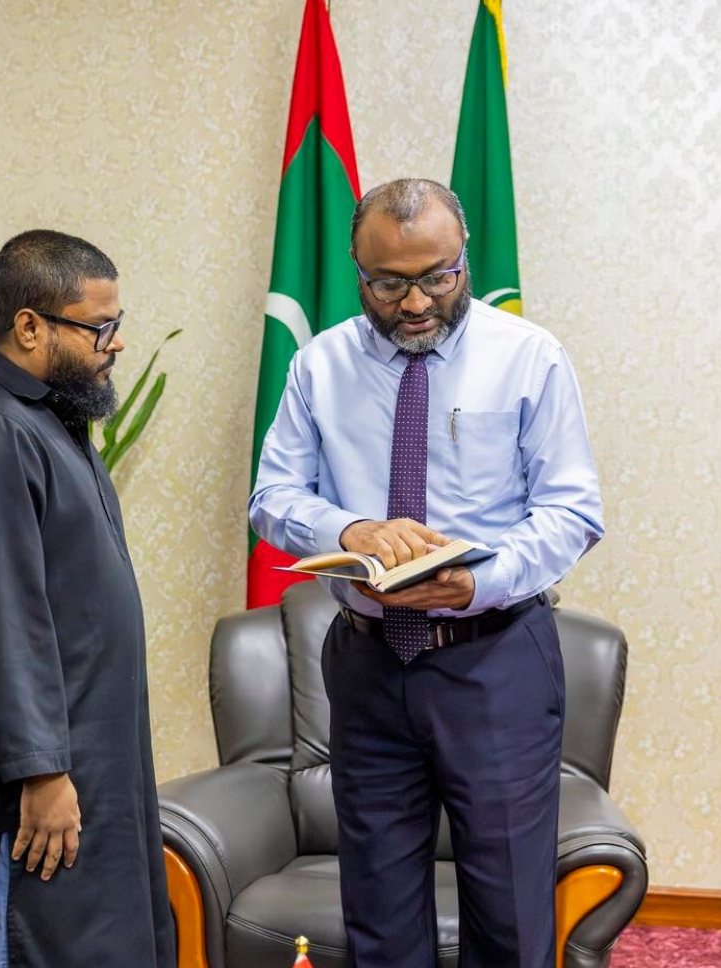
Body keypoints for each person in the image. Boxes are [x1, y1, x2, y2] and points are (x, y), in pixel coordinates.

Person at [249, 178, 604, 968]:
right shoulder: (320, 366)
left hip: (495, 658)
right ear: (356, 268)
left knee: (508, 914)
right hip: (368, 661)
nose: (414, 303)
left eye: (437, 277)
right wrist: (349, 528)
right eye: (387, 283)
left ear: (464, 256)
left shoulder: (529, 357)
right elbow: (271, 497)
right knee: (378, 909)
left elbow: (572, 511)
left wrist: (479, 582)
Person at [0, 230, 174, 968]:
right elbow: (3, 621)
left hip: (89, 767)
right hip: (27, 798)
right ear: (30, 327)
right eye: (100, 328)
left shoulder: (51, 424)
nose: (116, 344)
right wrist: (42, 771)